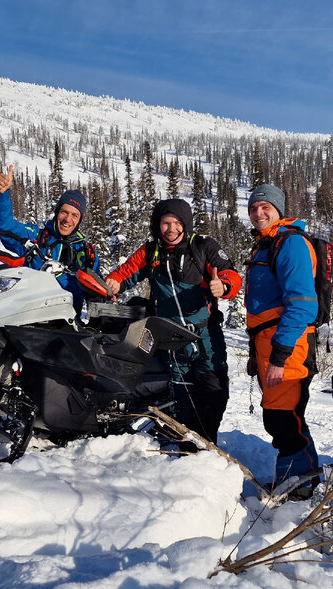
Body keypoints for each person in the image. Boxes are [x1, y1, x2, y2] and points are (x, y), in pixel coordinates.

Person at [105, 198, 242, 443]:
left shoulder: (202, 246)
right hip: (173, 342)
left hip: (205, 337)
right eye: (165, 223)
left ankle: (207, 446)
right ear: (157, 226)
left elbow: (230, 273)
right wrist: (114, 281)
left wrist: (224, 285)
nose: (171, 229)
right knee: (183, 401)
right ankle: (187, 450)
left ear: (185, 224)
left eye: (177, 223)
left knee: (214, 395)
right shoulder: (151, 252)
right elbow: (125, 272)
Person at [244, 184, 321, 483]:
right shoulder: (266, 244)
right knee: (283, 417)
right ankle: (299, 477)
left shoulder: (290, 244)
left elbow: (302, 306)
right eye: (253, 208)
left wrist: (279, 354)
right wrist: (257, 355)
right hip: (270, 346)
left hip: (289, 347)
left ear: (279, 210)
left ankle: (299, 484)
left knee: (284, 418)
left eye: (265, 207)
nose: (258, 213)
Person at [0, 164, 100, 304]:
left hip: (67, 320)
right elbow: (2, 226)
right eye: (64, 212)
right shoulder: (36, 237)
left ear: (79, 220)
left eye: (74, 215)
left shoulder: (86, 253)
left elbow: (96, 293)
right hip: (29, 315)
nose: (67, 219)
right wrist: (1, 195)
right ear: (57, 213)